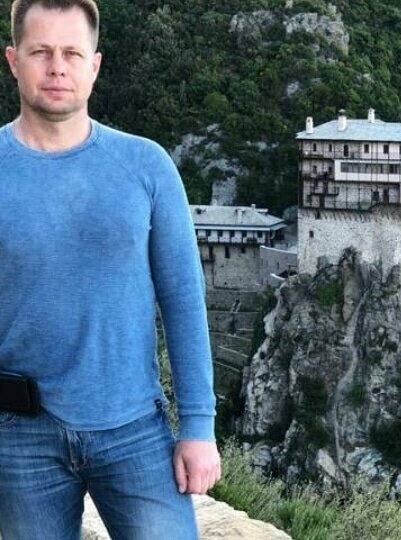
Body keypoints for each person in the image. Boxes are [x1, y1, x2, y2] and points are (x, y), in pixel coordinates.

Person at [0, 0, 220, 538]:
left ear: (94, 65)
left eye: (72, 53)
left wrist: (198, 426)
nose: (57, 68)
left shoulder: (147, 165)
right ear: (13, 60)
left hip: (134, 429)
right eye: (41, 52)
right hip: (19, 436)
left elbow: (183, 300)